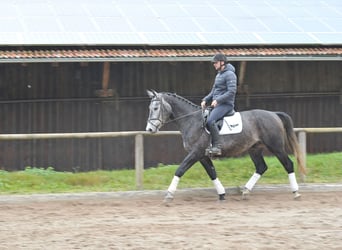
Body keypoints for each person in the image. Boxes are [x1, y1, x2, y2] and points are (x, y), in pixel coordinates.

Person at [201, 53, 237, 156]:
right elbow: (213, 91)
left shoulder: (230, 74)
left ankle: (217, 146)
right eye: (213, 63)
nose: (214, 65)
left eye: (215, 63)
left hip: (226, 105)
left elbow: (232, 92)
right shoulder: (219, 75)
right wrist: (205, 99)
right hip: (217, 104)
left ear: (222, 63)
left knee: (210, 120)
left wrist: (218, 100)